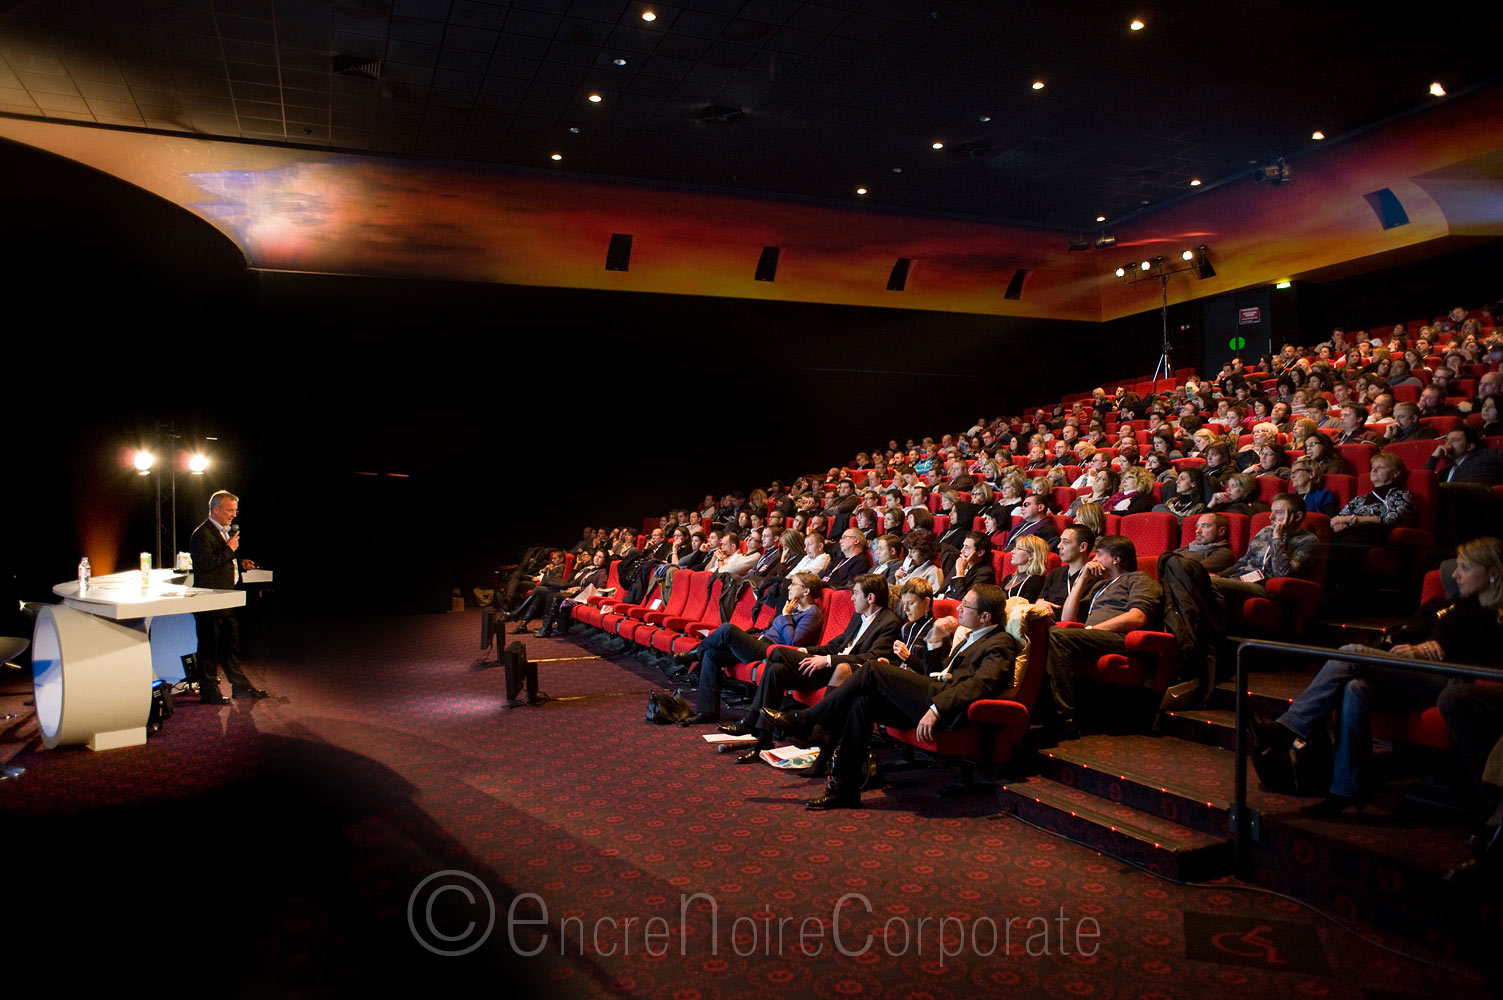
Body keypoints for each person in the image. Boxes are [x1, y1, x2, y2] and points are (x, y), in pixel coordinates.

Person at [1252, 537, 1503, 816]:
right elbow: (1410, 635)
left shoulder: (1494, 616)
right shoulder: (1452, 605)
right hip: (1416, 676)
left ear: (1492, 573)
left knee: (1350, 652)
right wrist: (1418, 646)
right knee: (1356, 688)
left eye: (1465, 568)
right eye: (1457, 567)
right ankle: (1345, 791)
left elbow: (1479, 658)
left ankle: (1291, 727)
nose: (1455, 575)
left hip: (1452, 683)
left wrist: (1432, 650)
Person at [758, 584, 1022, 810]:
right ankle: (845, 788)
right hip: (932, 691)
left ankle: (808, 719)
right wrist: (935, 642)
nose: (959, 610)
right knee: (863, 702)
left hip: (947, 707)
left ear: (986, 616)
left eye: (966, 606)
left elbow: (980, 685)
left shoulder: (1000, 643)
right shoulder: (970, 637)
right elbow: (934, 672)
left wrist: (937, 709)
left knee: (872, 669)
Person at [725, 574, 902, 760]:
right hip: (827, 666)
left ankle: (753, 720)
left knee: (777, 653)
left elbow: (871, 658)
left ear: (871, 598)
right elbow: (834, 646)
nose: (852, 598)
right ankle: (763, 739)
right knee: (776, 669)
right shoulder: (859, 617)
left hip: (845, 674)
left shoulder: (889, 622)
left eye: (856, 593)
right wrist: (804, 651)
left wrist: (827, 660)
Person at [1041, 535, 1164, 738]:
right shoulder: (1099, 586)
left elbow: (1137, 616)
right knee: (1046, 633)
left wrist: (1092, 631)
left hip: (1120, 638)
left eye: (1099, 554)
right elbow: (1068, 617)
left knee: (1056, 636)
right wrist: (1082, 579)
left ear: (1116, 559)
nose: (1094, 559)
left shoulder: (1139, 579)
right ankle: (1044, 711)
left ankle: (1064, 718)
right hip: (1094, 638)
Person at [678, 572, 825, 724]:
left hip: (770, 651)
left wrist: (785, 615)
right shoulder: (794, 608)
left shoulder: (812, 614)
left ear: (806, 591)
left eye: (794, 584)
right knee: (712, 654)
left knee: (727, 629)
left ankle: (696, 653)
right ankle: (707, 712)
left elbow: (793, 643)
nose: (789, 587)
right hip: (759, 642)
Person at [188, 490, 267, 703]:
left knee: (231, 647)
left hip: (227, 598)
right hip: (210, 600)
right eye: (230, 510)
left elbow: (222, 560)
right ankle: (210, 692)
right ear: (215, 509)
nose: (234, 515)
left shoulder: (225, 533)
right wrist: (230, 550)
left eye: (235, 510)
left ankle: (240, 687)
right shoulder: (202, 534)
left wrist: (240, 563)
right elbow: (205, 564)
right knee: (208, 647)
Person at [1000, 534, 1049, 600]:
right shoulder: (1008, 578)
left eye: (1018, 548)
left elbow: (1026, 605)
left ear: (1031, 556)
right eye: (1014, 548)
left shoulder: (1036, 580)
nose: (1012, 552)